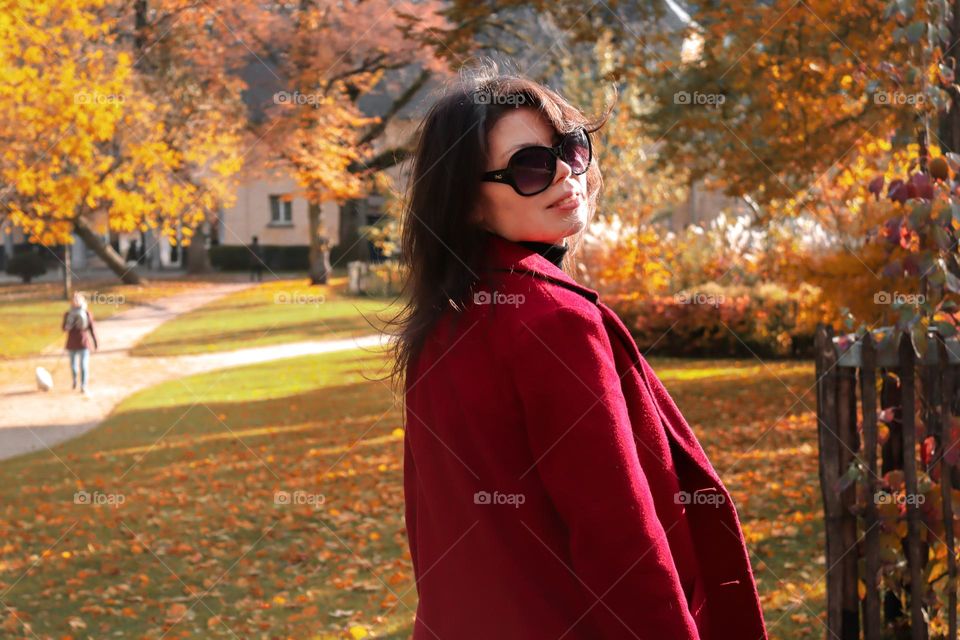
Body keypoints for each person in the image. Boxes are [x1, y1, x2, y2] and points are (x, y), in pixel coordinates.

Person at [388, 67, 768, 639]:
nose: (567, 173)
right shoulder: (555, 321)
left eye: (570, 148)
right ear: (468, 203)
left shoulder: (444, 321)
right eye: (529, 167)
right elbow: (621, 541)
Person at [62, 291, 98, 394]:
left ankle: (83, 385)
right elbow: (63, 328)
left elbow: (92, 328)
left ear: (82, 300)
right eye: (74, 299)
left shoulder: (86, 313)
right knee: (73, 367)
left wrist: (95, 342)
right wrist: (68, 325)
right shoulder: (68, 314)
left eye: (78, 299)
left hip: (83, 343)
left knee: (83, 365)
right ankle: (74, 381)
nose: (76, 301)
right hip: (72, 344)